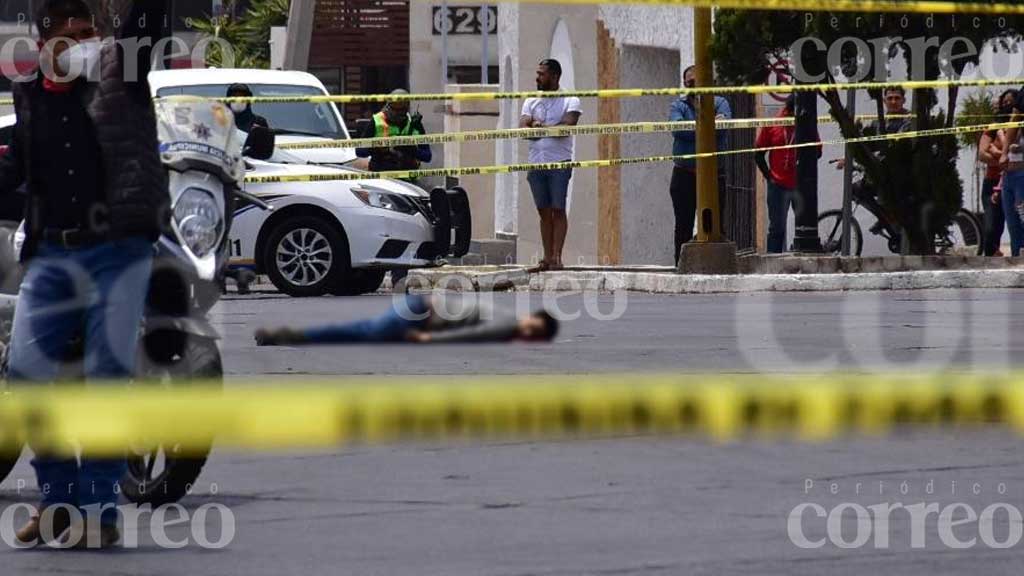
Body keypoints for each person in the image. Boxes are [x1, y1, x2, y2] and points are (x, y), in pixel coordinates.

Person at [0, 0, 169, 550]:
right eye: (70, 34)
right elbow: (18, 175)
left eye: (90, 31)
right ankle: (59, 502)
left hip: (119, 249)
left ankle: (100, 510)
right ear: (45, 43)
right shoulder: (28, 100)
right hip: (52, 253)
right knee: (24, 375)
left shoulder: (124, 77)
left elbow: (148, 17)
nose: (83, 41)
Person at [254, 294, 560, 345]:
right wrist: (430, 339)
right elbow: (471, 336)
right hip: (420, 313)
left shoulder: (506, 315)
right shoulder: (507, 323)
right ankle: (293, 336)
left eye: (534, 334)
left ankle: (294, 335)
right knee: (364, 333)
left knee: (360, 332)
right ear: (530, 318)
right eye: (534, 327)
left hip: (420, 309)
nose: (528, 332)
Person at [520, 59, 581, 271]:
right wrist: (538, 127)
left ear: (554, 76)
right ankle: (546, 257)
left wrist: (540, 126)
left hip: (559, 163)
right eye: (537, 73)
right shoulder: (531, 101)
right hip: (536, 163)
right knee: (543, 212)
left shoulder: (570, 99)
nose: (537, 78)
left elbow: (568, 126)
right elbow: (523, 128)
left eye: (542, 74)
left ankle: (557, 257)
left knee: (558, 209)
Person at [668, 64, 732, 262]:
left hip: (713, 173)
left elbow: (723, 127)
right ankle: (681, 265)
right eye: (690, 82)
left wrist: (697, 129)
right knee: (683, 225)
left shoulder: (721, 103)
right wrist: (708, 126)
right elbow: (678, 129)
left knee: (715, 225)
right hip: (684, 174)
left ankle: (717, 265)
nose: (694, 86)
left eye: (698, 82)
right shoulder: (678, 106)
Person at [755, 95, 820, 253]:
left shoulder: (805, 124)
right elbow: (758, 153)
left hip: (801, 185)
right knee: (777, 229)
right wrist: (769, 177)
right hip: (778, 184)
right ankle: (772, 267)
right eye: (790, 113)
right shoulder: (774, 123)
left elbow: (817, 152)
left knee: (805, 229)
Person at [355, 89, 432, 173]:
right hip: (382, 177)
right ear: (388, 105)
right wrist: (377, 148)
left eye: (400, 109)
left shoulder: (415, 124)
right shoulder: (377, 121)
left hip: (408, 178)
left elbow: (427, 156)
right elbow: (359, 151)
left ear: (406, 108)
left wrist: (410, 149)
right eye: (394, 108)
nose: (396, 113)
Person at [978, 90, 1015, 256]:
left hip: (1015, 181)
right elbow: (982, 154)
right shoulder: (993, 127)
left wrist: (996, 151)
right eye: (1004, 102)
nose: (1007, 105)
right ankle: (990, 258)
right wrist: (1003, 160)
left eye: (1011, 102)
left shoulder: (1017, 126)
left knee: (1017, 225)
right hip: (993, 183)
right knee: (992, 227)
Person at [999, 88, 1024, 257]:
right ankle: (1017, 266)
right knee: (1014, 224)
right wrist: (1003, 152)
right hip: (1011, 175)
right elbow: (1014, 120)